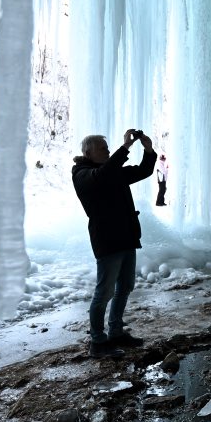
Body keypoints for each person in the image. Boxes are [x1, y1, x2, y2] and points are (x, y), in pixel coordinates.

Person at [72, 128, 157, 358]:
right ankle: (98, 343)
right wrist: (125, 147)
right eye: (104, 149)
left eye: (109, 149)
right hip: (108, 240)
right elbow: (102, 176)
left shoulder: (110, 171)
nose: (108, 152)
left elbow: (143, 171)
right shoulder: (82, 174)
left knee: (126, 286)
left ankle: (116, 332)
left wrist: (148, 150)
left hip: (127, 236)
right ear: (89, 152)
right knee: (104, 292)